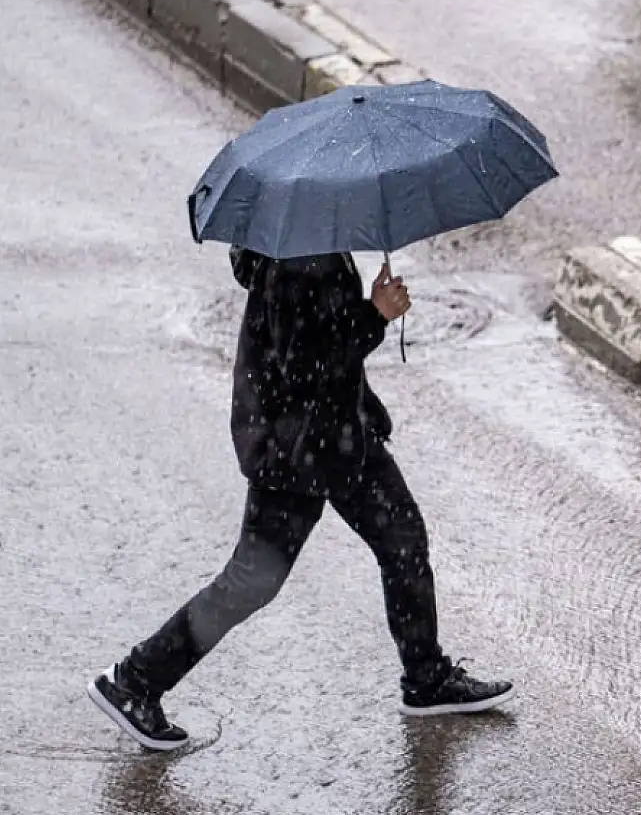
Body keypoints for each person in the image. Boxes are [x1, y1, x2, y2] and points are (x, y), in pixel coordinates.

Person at [89, 246, 514, 751]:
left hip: (341, 437)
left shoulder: (315, 245)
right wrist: (374, 314)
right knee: (252, 581)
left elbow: (322, 345)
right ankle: (135, 680)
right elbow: (306, 368)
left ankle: (426, 678)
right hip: (295, 448)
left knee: (403, 540)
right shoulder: (295, 261)